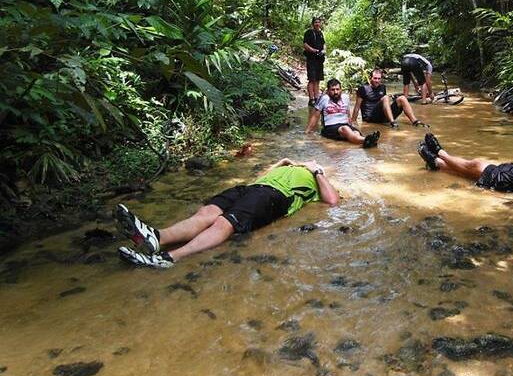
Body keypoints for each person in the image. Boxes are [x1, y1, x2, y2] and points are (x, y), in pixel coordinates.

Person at [116, 158, 339, 269]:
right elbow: (259, 177)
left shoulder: (316, 181)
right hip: (251, 188)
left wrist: (317, 171)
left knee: (225, 223)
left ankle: (170, 258)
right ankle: (158, 238)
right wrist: (283, 162)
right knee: (206, 213)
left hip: (274, 196)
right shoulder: (287, 167)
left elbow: (332, 200)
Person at [305, 78, 380, 148]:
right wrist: (307, 132)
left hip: (345, 125)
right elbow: (315, 117)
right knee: (345, 129)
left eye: (337, 89)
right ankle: (366, 140)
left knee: (355, 132)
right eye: (333, 90)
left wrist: (352, 125)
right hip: (329, 127)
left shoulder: (345, 97)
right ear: (328, 91)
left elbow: (348, 114)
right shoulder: (324, 99)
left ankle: (366, 142)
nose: (336, 92)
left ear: (341, 90)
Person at [351, 68, 428, 129]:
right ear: (370, 78)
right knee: (386, 97)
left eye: (379, 78)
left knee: (402, 98)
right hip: (370, 118)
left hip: (382, 116)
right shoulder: (363, 89)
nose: (377, 81)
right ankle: (393, 123)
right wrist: (353, 122)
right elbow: (357, 107)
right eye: (375, 78)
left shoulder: (382, 87)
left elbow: (385, 104)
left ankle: (415, 122)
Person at [303, 17, 326, 107]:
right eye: (316, 22)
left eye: (318, 22)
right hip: (311, 59)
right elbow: (305, 44)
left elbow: (324, 44)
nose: (317, 24)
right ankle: (311, 99)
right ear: (313, 24)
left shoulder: (320, 33)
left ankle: (316, 98)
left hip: (319, 60)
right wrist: (314, 50)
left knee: (318, 79)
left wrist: (323, 50)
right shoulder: (309, 32)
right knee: (312, 79)